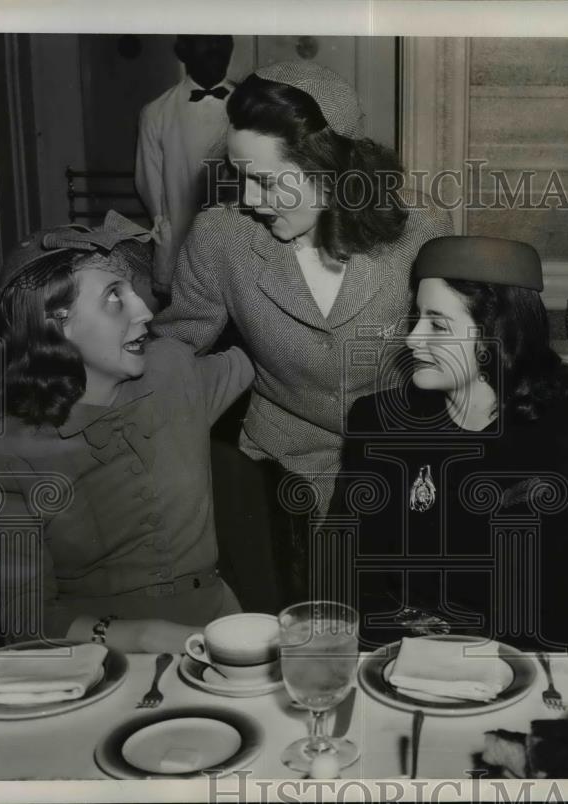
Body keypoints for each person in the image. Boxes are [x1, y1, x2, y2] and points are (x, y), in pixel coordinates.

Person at [153, 61, 452, 605]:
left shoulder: (417, 241)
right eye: (239, 175)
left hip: (396, 469)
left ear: (332, 169)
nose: (247, 198)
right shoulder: (222, 238)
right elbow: (176, 348)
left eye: (265, 180)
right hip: (278, 471)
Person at [0, 212, 254, 653]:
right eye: (114, 298)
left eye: (132, 291)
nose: (144, 311)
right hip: (95, 657)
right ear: (56, 326)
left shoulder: (173, 371)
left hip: (217, 633)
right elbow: (25, 618)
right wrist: (141, 636)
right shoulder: (3, 455)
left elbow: (271, 354)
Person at [330, 237, 568, 651]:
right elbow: (345, 574)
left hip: (514, 667)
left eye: (437, 324)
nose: (413, 340)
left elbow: (557, 601)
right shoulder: (378, 423)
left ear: (496, 335)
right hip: (396, 657)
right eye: (416, 318)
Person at [135, 34, 235, 307]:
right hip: (181, 247)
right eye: (206, 39)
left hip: (237, 248)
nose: (216, 46)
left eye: (222, 39)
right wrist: (167, 245)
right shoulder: (156, 113)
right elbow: (150, 184)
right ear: (183, 50)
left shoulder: (251, 107)